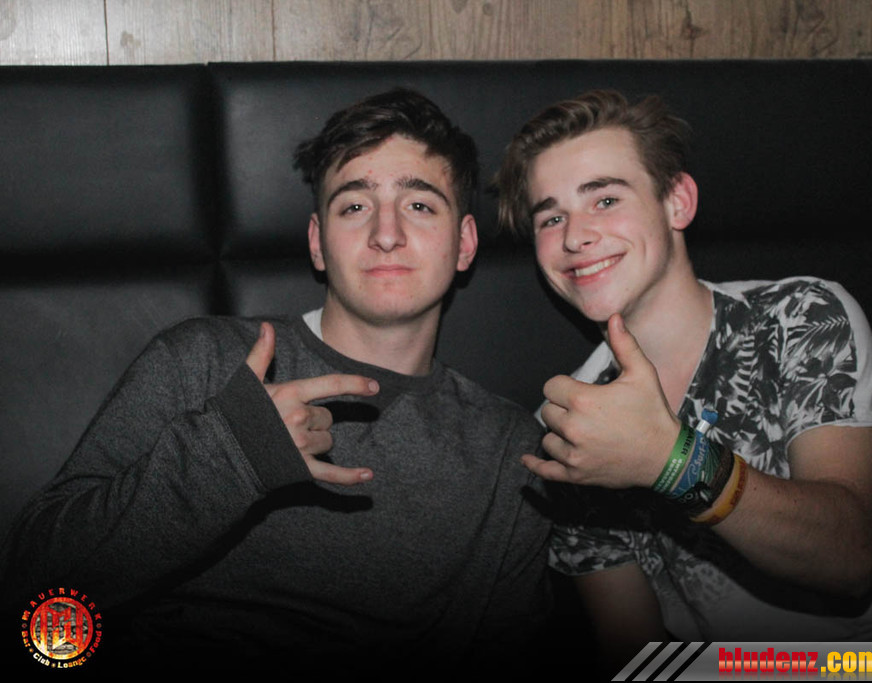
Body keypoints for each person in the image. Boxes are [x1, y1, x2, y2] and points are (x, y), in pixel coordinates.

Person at [0, 89, 550, 675]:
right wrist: (231, 452)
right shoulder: (203, 361)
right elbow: (33, 586)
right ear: (318, 242)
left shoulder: (507, 449)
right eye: (354, 206)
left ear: (464, 243)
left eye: (418, 205)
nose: (385, 233)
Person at [494, 89, 872, 666]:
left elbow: (847, 558)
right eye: (551, 217)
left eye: (604, 199)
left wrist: (670, 460)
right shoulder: (571, 426)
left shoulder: (800, 316)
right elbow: (636, 654)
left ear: (677, 202)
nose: (574, 236)